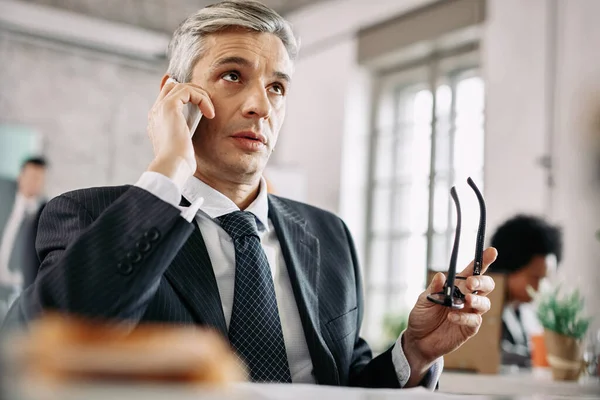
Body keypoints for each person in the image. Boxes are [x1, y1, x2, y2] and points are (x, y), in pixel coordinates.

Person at [2, 0, 497, 388]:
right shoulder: (85, 214)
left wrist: (415, 352)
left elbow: (342, 383)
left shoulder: (329, 234)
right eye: (233, 76)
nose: (261, 105)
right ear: (174, 96)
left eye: (278, 87)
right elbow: (41, 343)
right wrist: (171, 166)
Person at [490, 214, 562, 367]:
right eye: (535, 277)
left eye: (545, 279)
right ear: (509, 268)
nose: (540, 287)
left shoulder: (524, 312)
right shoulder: (482, 309)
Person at [0, 157, 47, 309]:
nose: (35, 182)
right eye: (32, 176)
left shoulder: (44, 212)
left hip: (18, 289)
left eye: (39, 179)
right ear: (21, 176)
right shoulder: (4, 196)